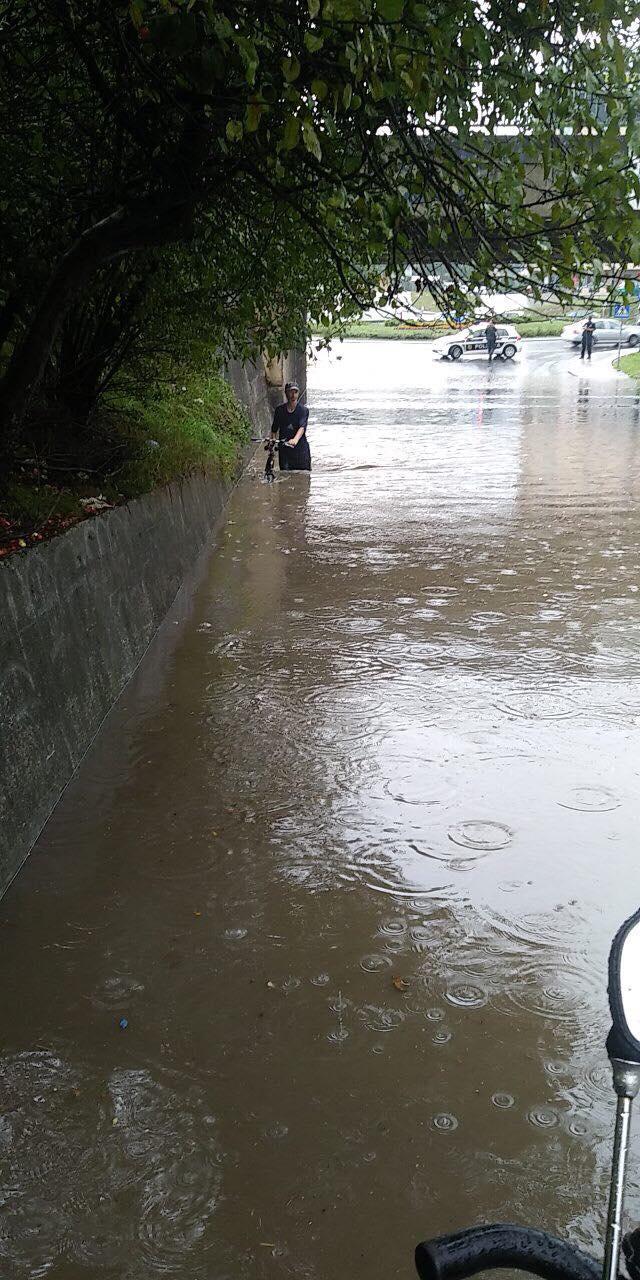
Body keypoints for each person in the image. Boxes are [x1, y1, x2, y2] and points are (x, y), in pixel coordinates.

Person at [271, 381, 311, 471]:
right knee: (285, 476)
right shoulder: (279, 410)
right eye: (290, 392)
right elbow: (274, 429)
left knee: (303, 479)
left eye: (295, 392)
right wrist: (272, 442)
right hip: (284, 450)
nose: (293, 395)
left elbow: (302, 427)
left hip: (300, 450)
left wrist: (295, 439)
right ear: (286, 393)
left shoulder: (303, 411)